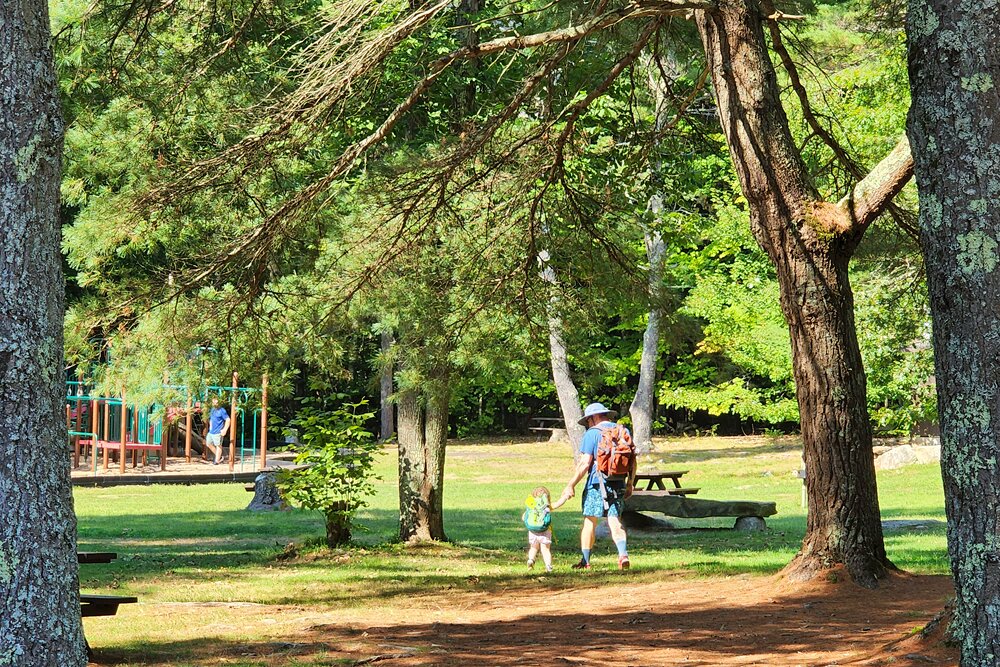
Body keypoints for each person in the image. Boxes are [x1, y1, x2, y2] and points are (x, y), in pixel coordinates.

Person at [560, 402, 635, 570]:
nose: (588, 423)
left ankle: (585, 561)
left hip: (596, 483)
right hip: (618, 482)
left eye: (588, 420)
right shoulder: (623, 431)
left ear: (593, 418)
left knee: (590, 521)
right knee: (615, 520)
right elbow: (632, 460)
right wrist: (630, 483)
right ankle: (623, 555)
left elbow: (585, 463)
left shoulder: (592, 434)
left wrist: (570, 484)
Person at [523, 486, 569, 573]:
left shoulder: (531, 507)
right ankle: (548, 566)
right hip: (545, 531)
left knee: (533, 547)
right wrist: (565, 496)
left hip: (533, 532)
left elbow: (523, 518)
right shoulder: (547, 506)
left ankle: (531, 560)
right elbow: (558, 503)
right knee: (545, 549)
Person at [204, 396, 230, 465]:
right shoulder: (212, 409)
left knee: (218, 445)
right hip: (211, 431)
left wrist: (224, 429)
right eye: (213, 401)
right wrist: (210, 426)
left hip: (218, 431)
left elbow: (227, 419)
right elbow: (211, 419)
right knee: (208, 443)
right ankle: (220, 456)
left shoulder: (222, 410)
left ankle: (217, 461)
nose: (215, 402)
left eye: (216, 401)